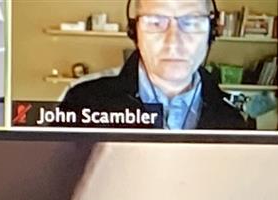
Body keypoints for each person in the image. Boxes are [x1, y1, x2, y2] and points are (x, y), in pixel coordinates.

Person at [61, 0, 251, 131]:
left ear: (212, 32)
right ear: (134, 32)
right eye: (155, 22)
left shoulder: (233, 120)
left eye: (191, 23)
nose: (173, 42)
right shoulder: (82, 102)